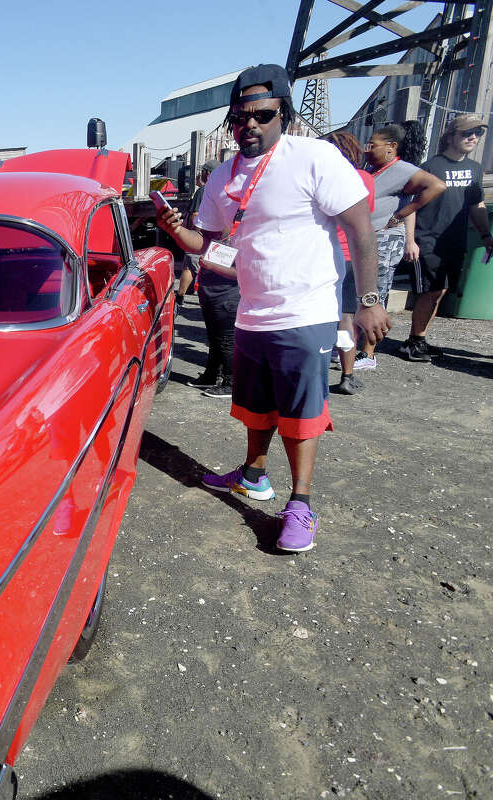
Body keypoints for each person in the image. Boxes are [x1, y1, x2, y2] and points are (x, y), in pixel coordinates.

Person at [156, 64, 388, 553]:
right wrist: (179, 232)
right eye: (241, 117)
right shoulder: (222, 173)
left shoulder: (314, 157)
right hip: (251, 310)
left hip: (306, 311)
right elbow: (213, 243)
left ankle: (301, 505)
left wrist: (368, 302)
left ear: (283, 112)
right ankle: (254, 476)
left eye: (263, 114)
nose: (251, 126)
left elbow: (361, 230)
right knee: (255, 405)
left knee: (301, 414)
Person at [350, 125, 444, 371]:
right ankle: (353, 347)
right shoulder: (374, 169)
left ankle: (367, 353)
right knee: (359, 293)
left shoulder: (404, 170)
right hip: (367, 238)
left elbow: (436, 186)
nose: (367, 149)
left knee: (376, 293)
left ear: (392, 147)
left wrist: (402, 214)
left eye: (373, 145)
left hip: (384, 240)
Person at [400, 113, 493, 361]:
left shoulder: (474, 169)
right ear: (451, 136)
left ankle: (419, 339)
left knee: (439, 292)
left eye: (478, 133)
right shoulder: (431, 167)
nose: (473, 137)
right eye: (466, 133)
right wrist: (410, 239)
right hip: (427, 240)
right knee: (430, 291)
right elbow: (411, 205)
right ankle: (412, 342)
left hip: (454, 242)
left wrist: (485, 235)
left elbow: (477, 205)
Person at [318, 130, 375, 395]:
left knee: (318, 319)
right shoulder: (364, 179)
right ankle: (348, 375)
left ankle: (314, 373)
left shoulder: (323, 176)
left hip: (326, 257)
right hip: (352, 258)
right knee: (346, 319)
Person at [184, 159, 238, 399]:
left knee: (225, 335)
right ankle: (211, 373)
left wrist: (212, 263)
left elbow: (241, 273)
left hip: (226, 287)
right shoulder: (215, 233)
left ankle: (230, 380)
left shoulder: (236, 233)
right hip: (212, 283)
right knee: (214, 333)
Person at [176, 161, 217, 310]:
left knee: (192, 268)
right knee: (194, 268)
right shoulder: (216, 190)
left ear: (207, 173)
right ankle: (183, 296)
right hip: (212, 237)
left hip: (199, 237)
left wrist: (193, 232)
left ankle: (182, 298)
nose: (199, 175)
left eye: (202, 172)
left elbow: (195, 214)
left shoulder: (203, 191)